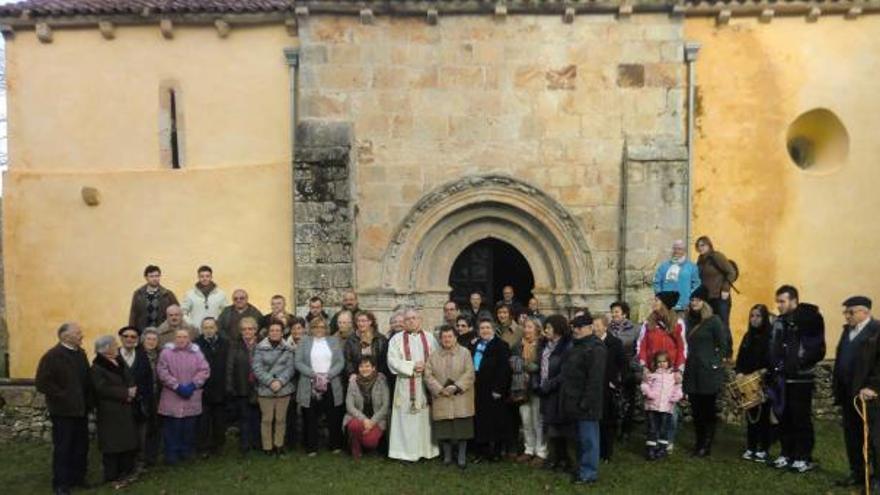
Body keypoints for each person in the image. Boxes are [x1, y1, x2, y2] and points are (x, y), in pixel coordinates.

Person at [768, 285, 825, 473]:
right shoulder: (779, 321)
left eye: (782, 301)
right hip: (781, 377)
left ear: (794, 300)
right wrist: (775, 365)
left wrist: (798, 362)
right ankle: (787, 453)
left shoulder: (810, 319)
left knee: (800, 418)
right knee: (784, 417)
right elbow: (774, 345)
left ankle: (803, 457)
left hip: (801, 378)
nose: (779, 306)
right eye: (777, 302)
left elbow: (817, 348)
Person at [36, 323, 92, 495]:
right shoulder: (52, 356)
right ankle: (61, 484)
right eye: (78, 333)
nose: (81, 335)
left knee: (81, 446)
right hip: (63, 412)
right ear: (65, 336)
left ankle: (78, 478)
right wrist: (64, 396)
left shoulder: (81, 354)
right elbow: (42, 383)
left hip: (81, 410)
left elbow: (86, 379)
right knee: (63, 447)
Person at [833, 296, 880, 490]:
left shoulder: (876, 330)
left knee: (874, 437)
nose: (847, 316)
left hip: (868, 394)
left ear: (865, 312)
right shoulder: (848, 331)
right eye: (846, 312)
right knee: (852, 435)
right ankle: (857, 472)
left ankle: (877, 478)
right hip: (848, 393)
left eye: (850, 312)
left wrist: (873, 387)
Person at [387, 307, 440, 461]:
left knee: (425, 419)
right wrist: (411, 367)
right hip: (405, 383)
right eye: (407, 319)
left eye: (414, 318)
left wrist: (426, 366)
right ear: (404, 322)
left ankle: (426, 451)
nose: (411, 321)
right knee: (406, 419)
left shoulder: (430, 338)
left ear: (420, 320)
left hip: (425, 385)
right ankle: (404, 453)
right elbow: (392, 360)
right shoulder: (396, 339)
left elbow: (436, 358)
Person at [636, 291, 686, 451]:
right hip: (652, 371)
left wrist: (678, 370)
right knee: (652, 406)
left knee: (670, 407)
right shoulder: (648, 323)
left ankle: (667, 439)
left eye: (657, 300)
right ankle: (653, 437)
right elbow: (641, 345)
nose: (653, 302)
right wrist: (643, 365)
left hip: (670, 372)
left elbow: (682, 348)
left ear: (664, 303)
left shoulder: (677, 323)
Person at [682, 286, 729, 457]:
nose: (694, 303)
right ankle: (699, 441)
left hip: (707, 372)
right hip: (692, 370)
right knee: (696, 410)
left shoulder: (713, 321)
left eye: (697, 300)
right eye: (692, 300)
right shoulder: (688, 320)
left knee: (707, 409)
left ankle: (706, 444)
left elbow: (724, 345)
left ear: (704, 302)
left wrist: (714, 363)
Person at [560, 314, 606, 485]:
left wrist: (586, 402)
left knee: (589, 439)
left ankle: (589, 474)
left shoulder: (596, 348)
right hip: (573, 399)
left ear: (589, 328)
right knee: (579, 438)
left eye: (579, 328)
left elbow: (595, 380)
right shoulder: (576, 346)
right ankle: (580, 468)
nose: (576, 331)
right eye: (574, 328)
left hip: (587, 404)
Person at [90, 335, 139, 488]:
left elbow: (129, 377)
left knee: (126, 441)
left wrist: (132, 389)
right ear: (106, 349)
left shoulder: (118, 361)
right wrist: (126, 393)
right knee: (112, 444)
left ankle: (126, 472)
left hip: (125, 408)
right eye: (114, 345)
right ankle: (111, 476)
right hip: (110, 411)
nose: (117, 346)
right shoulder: (97, 367)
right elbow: (102, 389)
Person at [157, 328, 211, 465]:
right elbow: (162, 372)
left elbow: (204, 370)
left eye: (185, 337)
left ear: (189, 338)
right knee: (172, 428)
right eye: (179, 337)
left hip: (191, 395)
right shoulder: (166, 352)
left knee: (189, 427)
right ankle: (171, 455)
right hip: (172, 396)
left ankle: (187, 453)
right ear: (174, 338)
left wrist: (193, 385)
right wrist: (176, 386)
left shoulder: (196, 353)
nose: (181, 339)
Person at [425, 325, 475, 468]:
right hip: (442, 396)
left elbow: (470, 372)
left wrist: (456, 386)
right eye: (444, 337)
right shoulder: (433, 355)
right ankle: (447, 456)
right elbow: (428, 375)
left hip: (461, 395)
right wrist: (440, 389)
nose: (446, 339)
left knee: (462, 427)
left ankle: (461, 456)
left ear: (455, 338)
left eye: (449, 336)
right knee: (444, 427)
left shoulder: (465, 353)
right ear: (440, 339)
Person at [295, 317, 346, 455]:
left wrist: (328, 376)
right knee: (310, 416)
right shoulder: (304, 341)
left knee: (333, 415)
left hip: (331, 382)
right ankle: (311, 447)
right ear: (311, 328)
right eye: (316, 327)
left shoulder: (334, 341)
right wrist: (314, 375)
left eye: (322, 327)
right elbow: (298, 362)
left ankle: (335, 445)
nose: (319, 330)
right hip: (310, 382)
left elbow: (340, 362)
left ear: (326, 329)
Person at [735, 304, 775, 463]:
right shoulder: (748, 336)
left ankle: (763, 448)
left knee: (764, 416)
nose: (754, 319)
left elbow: (773, 360)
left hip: (764, 381)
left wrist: (764, 372)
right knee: (751, 415)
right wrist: (739, 372)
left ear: (764, 318)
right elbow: (740, 357)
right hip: (748, 382)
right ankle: (751, 446)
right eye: (752, 316)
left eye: (758, 316)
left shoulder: (771, 337)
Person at [472, 317, 513, 462]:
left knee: (495, 420)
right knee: (480, 420)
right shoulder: (476, 344)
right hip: (478, 388)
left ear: (493, 329)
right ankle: (481, 451)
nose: (485, 330)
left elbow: (505, 369)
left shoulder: (501, 345)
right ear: (478, 331)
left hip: (494, 389)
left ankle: (496, 452)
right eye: (482, 328)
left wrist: (498, 389)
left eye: (487, 328)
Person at [537, 314, 574, 472]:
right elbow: (541, 366)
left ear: (558, 329)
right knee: (550, 426)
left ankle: (565, 460)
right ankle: (555, 458)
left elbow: (565, 373)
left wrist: (550, 385)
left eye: (549, 328)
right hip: (546, 391)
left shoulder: (567, 346)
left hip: (559, 392)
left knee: (561, 428)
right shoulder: (545, 345)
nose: (546, 331)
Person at [253, 320, 296, 456]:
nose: (275, 333)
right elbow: (257, 368)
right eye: (272, 330)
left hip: (283, 389)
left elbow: (290, 368)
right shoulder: (260, 348)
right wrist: (270, 381)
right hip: (266, 389)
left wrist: (281, 381)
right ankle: (267, 446)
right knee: (267, 419)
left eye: (278, 330)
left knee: (280, 418)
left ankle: (279, 445)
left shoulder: (288, 348)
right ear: (268, 332)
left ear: (282, 332)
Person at [116, 326, 153, 469]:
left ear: (137, 340)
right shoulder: (114, 356)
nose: (129, 339)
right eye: (126, 336)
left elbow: (148, 379)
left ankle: (140, 462)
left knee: (140, 434)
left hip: (140, 403)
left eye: (133, 337)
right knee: (123, 435)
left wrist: (146, 399)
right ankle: (123, 464)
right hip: (120, 404)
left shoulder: (142, 355)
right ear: (121, 338)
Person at [512, 316, 546, 465]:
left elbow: (539, 366)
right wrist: (526, 366)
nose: (526, 330)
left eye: (530, 327)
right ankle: (528, 449)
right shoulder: (518, 345)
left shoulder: (543, 345)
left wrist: (525, 366)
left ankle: (541, 451)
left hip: (536, 386)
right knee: (525, 419)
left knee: (537, 420)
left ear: (537, 329)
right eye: (525, 327)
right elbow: (513, 363)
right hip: (521, 387)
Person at [194, 317, 229, 457]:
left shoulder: (225, 343)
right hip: (203, 388)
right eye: (206, 327)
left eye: (211, 327)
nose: (208, 330)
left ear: (216, 328)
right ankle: (203, 447)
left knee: (219, 419)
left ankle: (218, 446)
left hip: (220, 386)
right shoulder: (196, 345)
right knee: (203, 420)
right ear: (202, 329)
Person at [226, 317, 261, 454]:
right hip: (241, 385)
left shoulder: (262, 344)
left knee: (258, 417)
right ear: (240, 331)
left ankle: (257, 443)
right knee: (244, 418)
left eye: (250, 328)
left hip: (259, 386)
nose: (247, 331)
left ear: (255, 330)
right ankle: (245, 445)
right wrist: (230, 386)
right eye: (244, 329)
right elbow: (229, 367)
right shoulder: (234, 345)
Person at [343, 357, 391, 459]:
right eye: (361, 366)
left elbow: (385, 405)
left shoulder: (381, 381)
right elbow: (349, 406)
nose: (364, 369)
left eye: (367, 366)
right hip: (359, 418)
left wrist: (372, 422)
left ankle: (362, 441)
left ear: (373, 368)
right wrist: (364, 420)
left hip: (377, 419)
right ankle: (355, 446)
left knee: (370, 443)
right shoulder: (353, 382)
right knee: (353, 425)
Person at [640, 351, 683, 460]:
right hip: (652, 406)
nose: (661, 364)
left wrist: (675, 397)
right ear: (655, 363)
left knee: (664, 429)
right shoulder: (652, 375)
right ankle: (650, 449)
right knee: (652, 428)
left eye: (664, 361)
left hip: (666, 407)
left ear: (668, 363)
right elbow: (644, 385)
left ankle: (662, 449)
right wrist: (649, 393)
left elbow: (678, 388)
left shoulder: (673, 376)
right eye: (659, 362)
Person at [594, 315, 624, 462]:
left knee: (607, 422)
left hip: (608, 388)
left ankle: (607, 452)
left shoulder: (615, 343)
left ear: (605, 327)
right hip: (594, 387)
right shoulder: (591, 343)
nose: (595, 328)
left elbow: (623, 365)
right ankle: (596, 449)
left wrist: (615, 383)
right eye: (593, 325)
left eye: (598, 325)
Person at [695, 235, 737, 342]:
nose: (700, 248)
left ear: (709, 245)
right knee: (709, 325)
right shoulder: (700, 261)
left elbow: (731, 272)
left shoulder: (717, 256)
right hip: (707, 299)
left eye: (703, 245)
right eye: (698, 246)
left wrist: (726, 288)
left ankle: (727, 353)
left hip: (720, 297)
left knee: (723, 325)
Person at [609, 301, 639, 441]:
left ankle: (626, 429)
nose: (614, 314)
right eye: (613, 312)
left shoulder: (635, 329)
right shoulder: (608, 329)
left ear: (624, 313)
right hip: (612, 369)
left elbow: (638, 349)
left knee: (628, 400)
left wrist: (631, 364)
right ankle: (613, 428)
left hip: (628, 369)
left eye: (616, 311)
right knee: (613, 400)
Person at [653, 240, 700, 312]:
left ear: (684, 251)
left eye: (679, 249)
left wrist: (690, 299)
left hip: (684, 306)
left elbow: (696, 285)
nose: (676, 251)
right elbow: (657, 282)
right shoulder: (664, 266)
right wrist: (660, 298)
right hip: (666, 306)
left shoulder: (692, 267)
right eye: (675, 248)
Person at [129, 265, 178, 332]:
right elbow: (133, 314)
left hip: (163, 333)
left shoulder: (168, 294)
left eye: (157, 276)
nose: (154, 279)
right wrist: (131, 331)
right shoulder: (138, 294)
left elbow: (177, 313)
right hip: (142, 333)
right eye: (151, 276)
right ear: (146, 277)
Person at [140, 328, 162, 467]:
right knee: (143, 427)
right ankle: (141, 457)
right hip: (143, 396)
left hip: (158, 395)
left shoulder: (160, 355)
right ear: (143, 340)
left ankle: (152, 456)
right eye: (149, 339)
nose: (151, 342)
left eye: (154, 339)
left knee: (155, 425)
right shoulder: (138, 355)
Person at [344, 311, 388, 378]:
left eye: (363, 321)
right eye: (358, 321)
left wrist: (379, 373)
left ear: (370, 322)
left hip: (377, 376)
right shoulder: (351, 339)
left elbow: (384, 360)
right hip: (356, 376)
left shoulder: (380, 339)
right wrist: (351, 373)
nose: (360, 323)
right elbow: (348, 360)